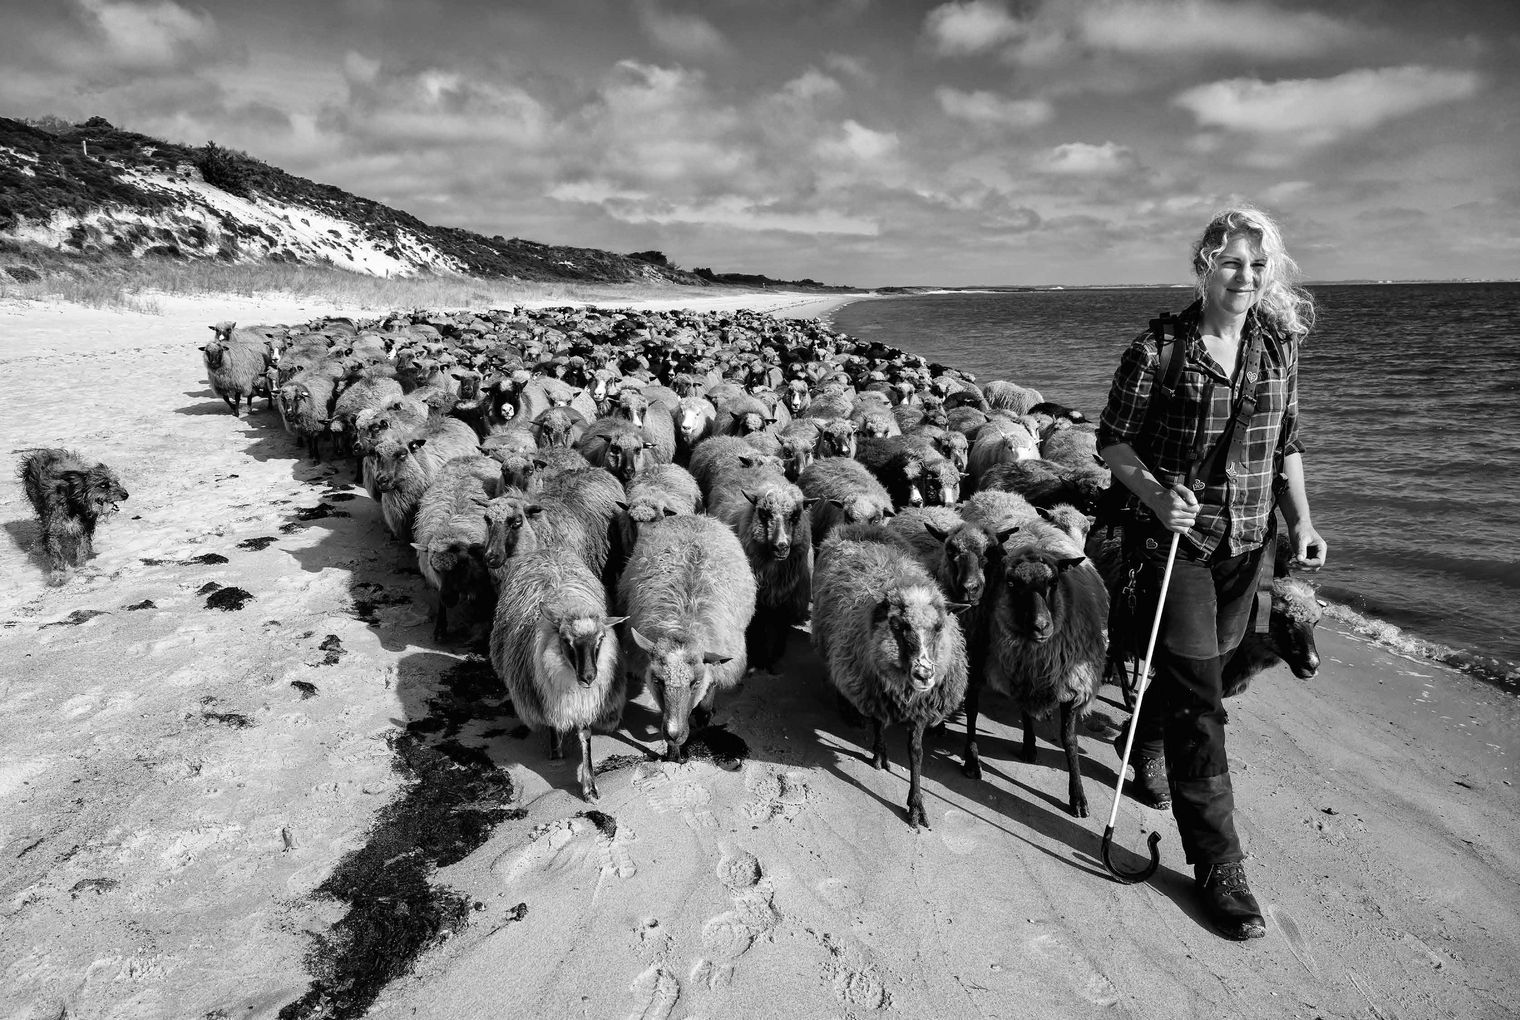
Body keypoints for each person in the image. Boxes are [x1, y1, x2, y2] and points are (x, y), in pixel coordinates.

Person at [1096, 205, 1327, 941]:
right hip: (1177, 550)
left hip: (1249, 546)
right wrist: (1159, 497)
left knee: (1213, 670)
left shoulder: (1279, 345)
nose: (1246, 277)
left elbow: (1286, 441)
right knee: (1204, 699)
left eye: (1258, 266)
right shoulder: (1159, 349)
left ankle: (1148, 743)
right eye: (1231, 262)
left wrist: (1304, 522)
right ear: (1203, 263)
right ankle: (1220, 867)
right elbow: (1112, 444)